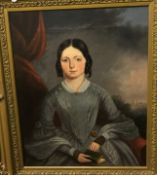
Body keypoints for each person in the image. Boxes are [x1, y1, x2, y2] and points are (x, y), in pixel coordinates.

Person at [25, 38, 140, 166]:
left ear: (86, 60)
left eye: (77, 59)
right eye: (65, 60)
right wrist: (72, 152)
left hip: (97, 145)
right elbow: (45, 132)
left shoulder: (98, 92)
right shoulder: (52, 97)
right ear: (59, 63)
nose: (72, 65)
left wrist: (102, 138)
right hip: (65, 149)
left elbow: (121, 122)